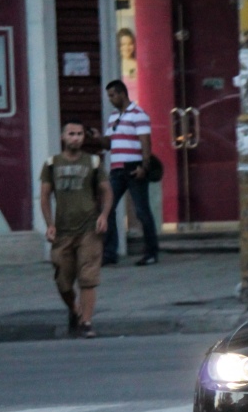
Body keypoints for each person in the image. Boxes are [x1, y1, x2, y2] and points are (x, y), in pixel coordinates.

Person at [40, 122, 113, 338]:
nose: (76, 138)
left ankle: (86, 322)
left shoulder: (93, 162)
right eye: (71, 134)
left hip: (89, 230)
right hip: (63, 231)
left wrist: (104, 215)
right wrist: (49, 224)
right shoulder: (52, 164)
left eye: (80, 134)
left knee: (87, 277)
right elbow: (44, 195)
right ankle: (75, 309)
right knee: (63, 280)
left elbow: (107, 191)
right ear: (63, 136)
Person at [93, 79, 159, 266]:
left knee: (141, 210)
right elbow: (109, 144)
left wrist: (144, 167)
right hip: (116, 168)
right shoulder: (113, 117)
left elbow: (145, 142)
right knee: (108, 208)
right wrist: (98, 138)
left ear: (122, 93)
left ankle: (151, 251)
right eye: (109, 96)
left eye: (113, 95)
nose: (111, 99)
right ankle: (109, 253)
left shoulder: (139, 115)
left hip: (133, 167)